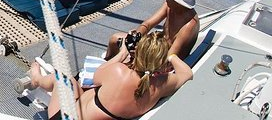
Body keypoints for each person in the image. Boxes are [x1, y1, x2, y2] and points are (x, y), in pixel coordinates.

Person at [26, 31, 192, 120]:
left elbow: (96, 76)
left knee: (63, 78)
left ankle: (37, 79)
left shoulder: (120, 72)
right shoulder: (162, 84)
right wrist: (171, 56)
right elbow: (187, 73)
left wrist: (123, 53)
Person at [105, 0, 199, 60]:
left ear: (178, 2)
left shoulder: (189, 25)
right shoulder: (171, 5)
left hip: (163, 58)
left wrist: (140, 52)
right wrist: (135, 39)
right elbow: (148, 24)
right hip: (156, 47)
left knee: (124, 51)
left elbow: (171, 57)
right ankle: (105, 65)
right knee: (115, 39)